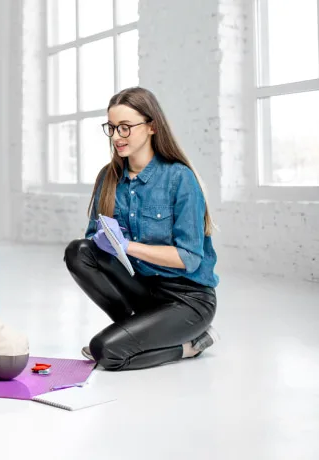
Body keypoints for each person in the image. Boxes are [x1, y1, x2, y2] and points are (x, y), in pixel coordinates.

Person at [63, 86, 220, 372]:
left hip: (186, 299)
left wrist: (127, 246)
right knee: (78, 251)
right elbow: (92, 247)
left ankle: (187, 347)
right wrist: (103, 240)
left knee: (106, 352)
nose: (116, 137)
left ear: (151, 127)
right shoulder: (109, 178)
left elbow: (190, 258)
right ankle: (134, 329)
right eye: (111, 128)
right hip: (143, 290)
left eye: (125, 128)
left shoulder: (179, 177)